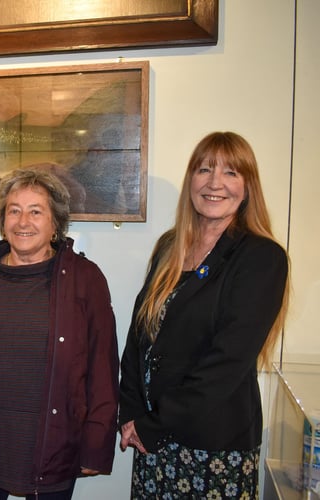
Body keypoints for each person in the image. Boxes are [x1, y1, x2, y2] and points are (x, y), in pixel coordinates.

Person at [118, 131, 290, 498]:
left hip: (212, 446)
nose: (214, 183)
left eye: (230, 173)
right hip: (153, 440)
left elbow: (227, 361)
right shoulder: (170, 245)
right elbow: (140, 336)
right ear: (190, 181)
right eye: (204, 170)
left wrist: (156, 423)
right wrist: (131, 412)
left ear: (248, 187)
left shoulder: (260, 257)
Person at [0, 168, 119, 500]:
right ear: (3, 220)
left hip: (54, 445)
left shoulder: (85, 279)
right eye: (14, 211)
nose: (23, 222)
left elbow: (103, 368)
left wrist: (96, 444)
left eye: (36, 211)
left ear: (55, 224)